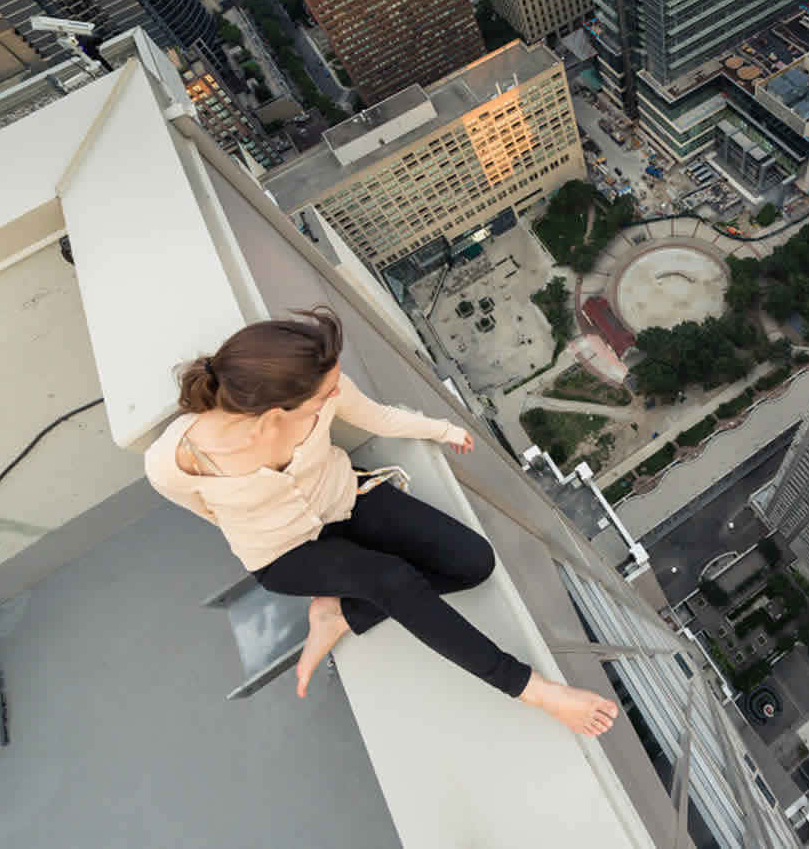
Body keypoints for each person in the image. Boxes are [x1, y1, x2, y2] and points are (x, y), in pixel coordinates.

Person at [144, 308, 617, 737]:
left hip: (348, 498)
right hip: (284, 554)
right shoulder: (175, 460)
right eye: (326, 390)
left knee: (473, 562)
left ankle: (342, 614)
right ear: (274, 412)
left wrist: (443, 431)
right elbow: (209, 513)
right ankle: (536, 691)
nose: (337, 388)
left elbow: (379, 417)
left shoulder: (323, 391)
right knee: (390, 577)